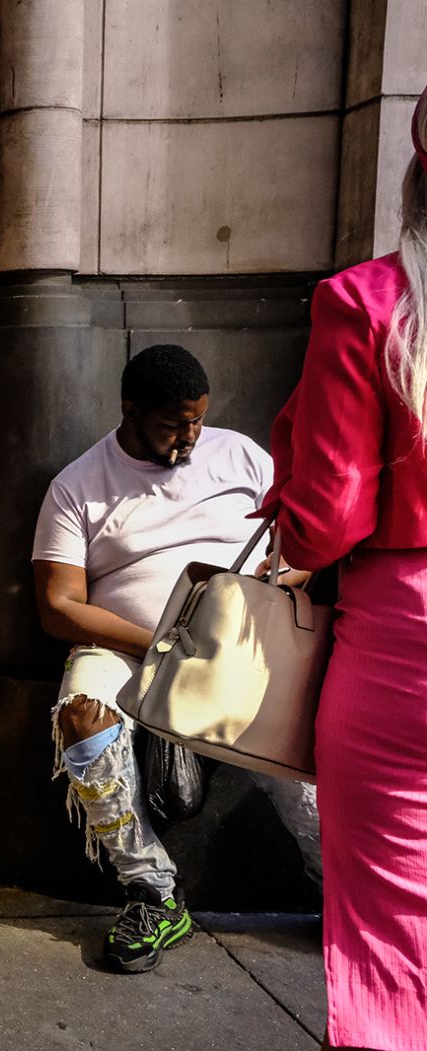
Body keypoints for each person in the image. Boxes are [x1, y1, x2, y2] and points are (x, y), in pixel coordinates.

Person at [32, 344, 323, 975]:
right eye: (173, 423)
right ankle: (154, 892)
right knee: (81, 719)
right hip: (129, 645)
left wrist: (279, 581)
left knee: (299, 753)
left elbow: (301, 546)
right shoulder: (78, 484)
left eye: (198, 419)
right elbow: (58, 606)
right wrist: (163, 644)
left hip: (240, 636)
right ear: (130, 411)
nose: (190, 436)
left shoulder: (240, 453)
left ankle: (343, 893)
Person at [260, 90, 427, 1051]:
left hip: (404, 648)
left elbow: (324, 520)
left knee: (393, 933)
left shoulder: (366, 301)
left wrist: (288, 506)